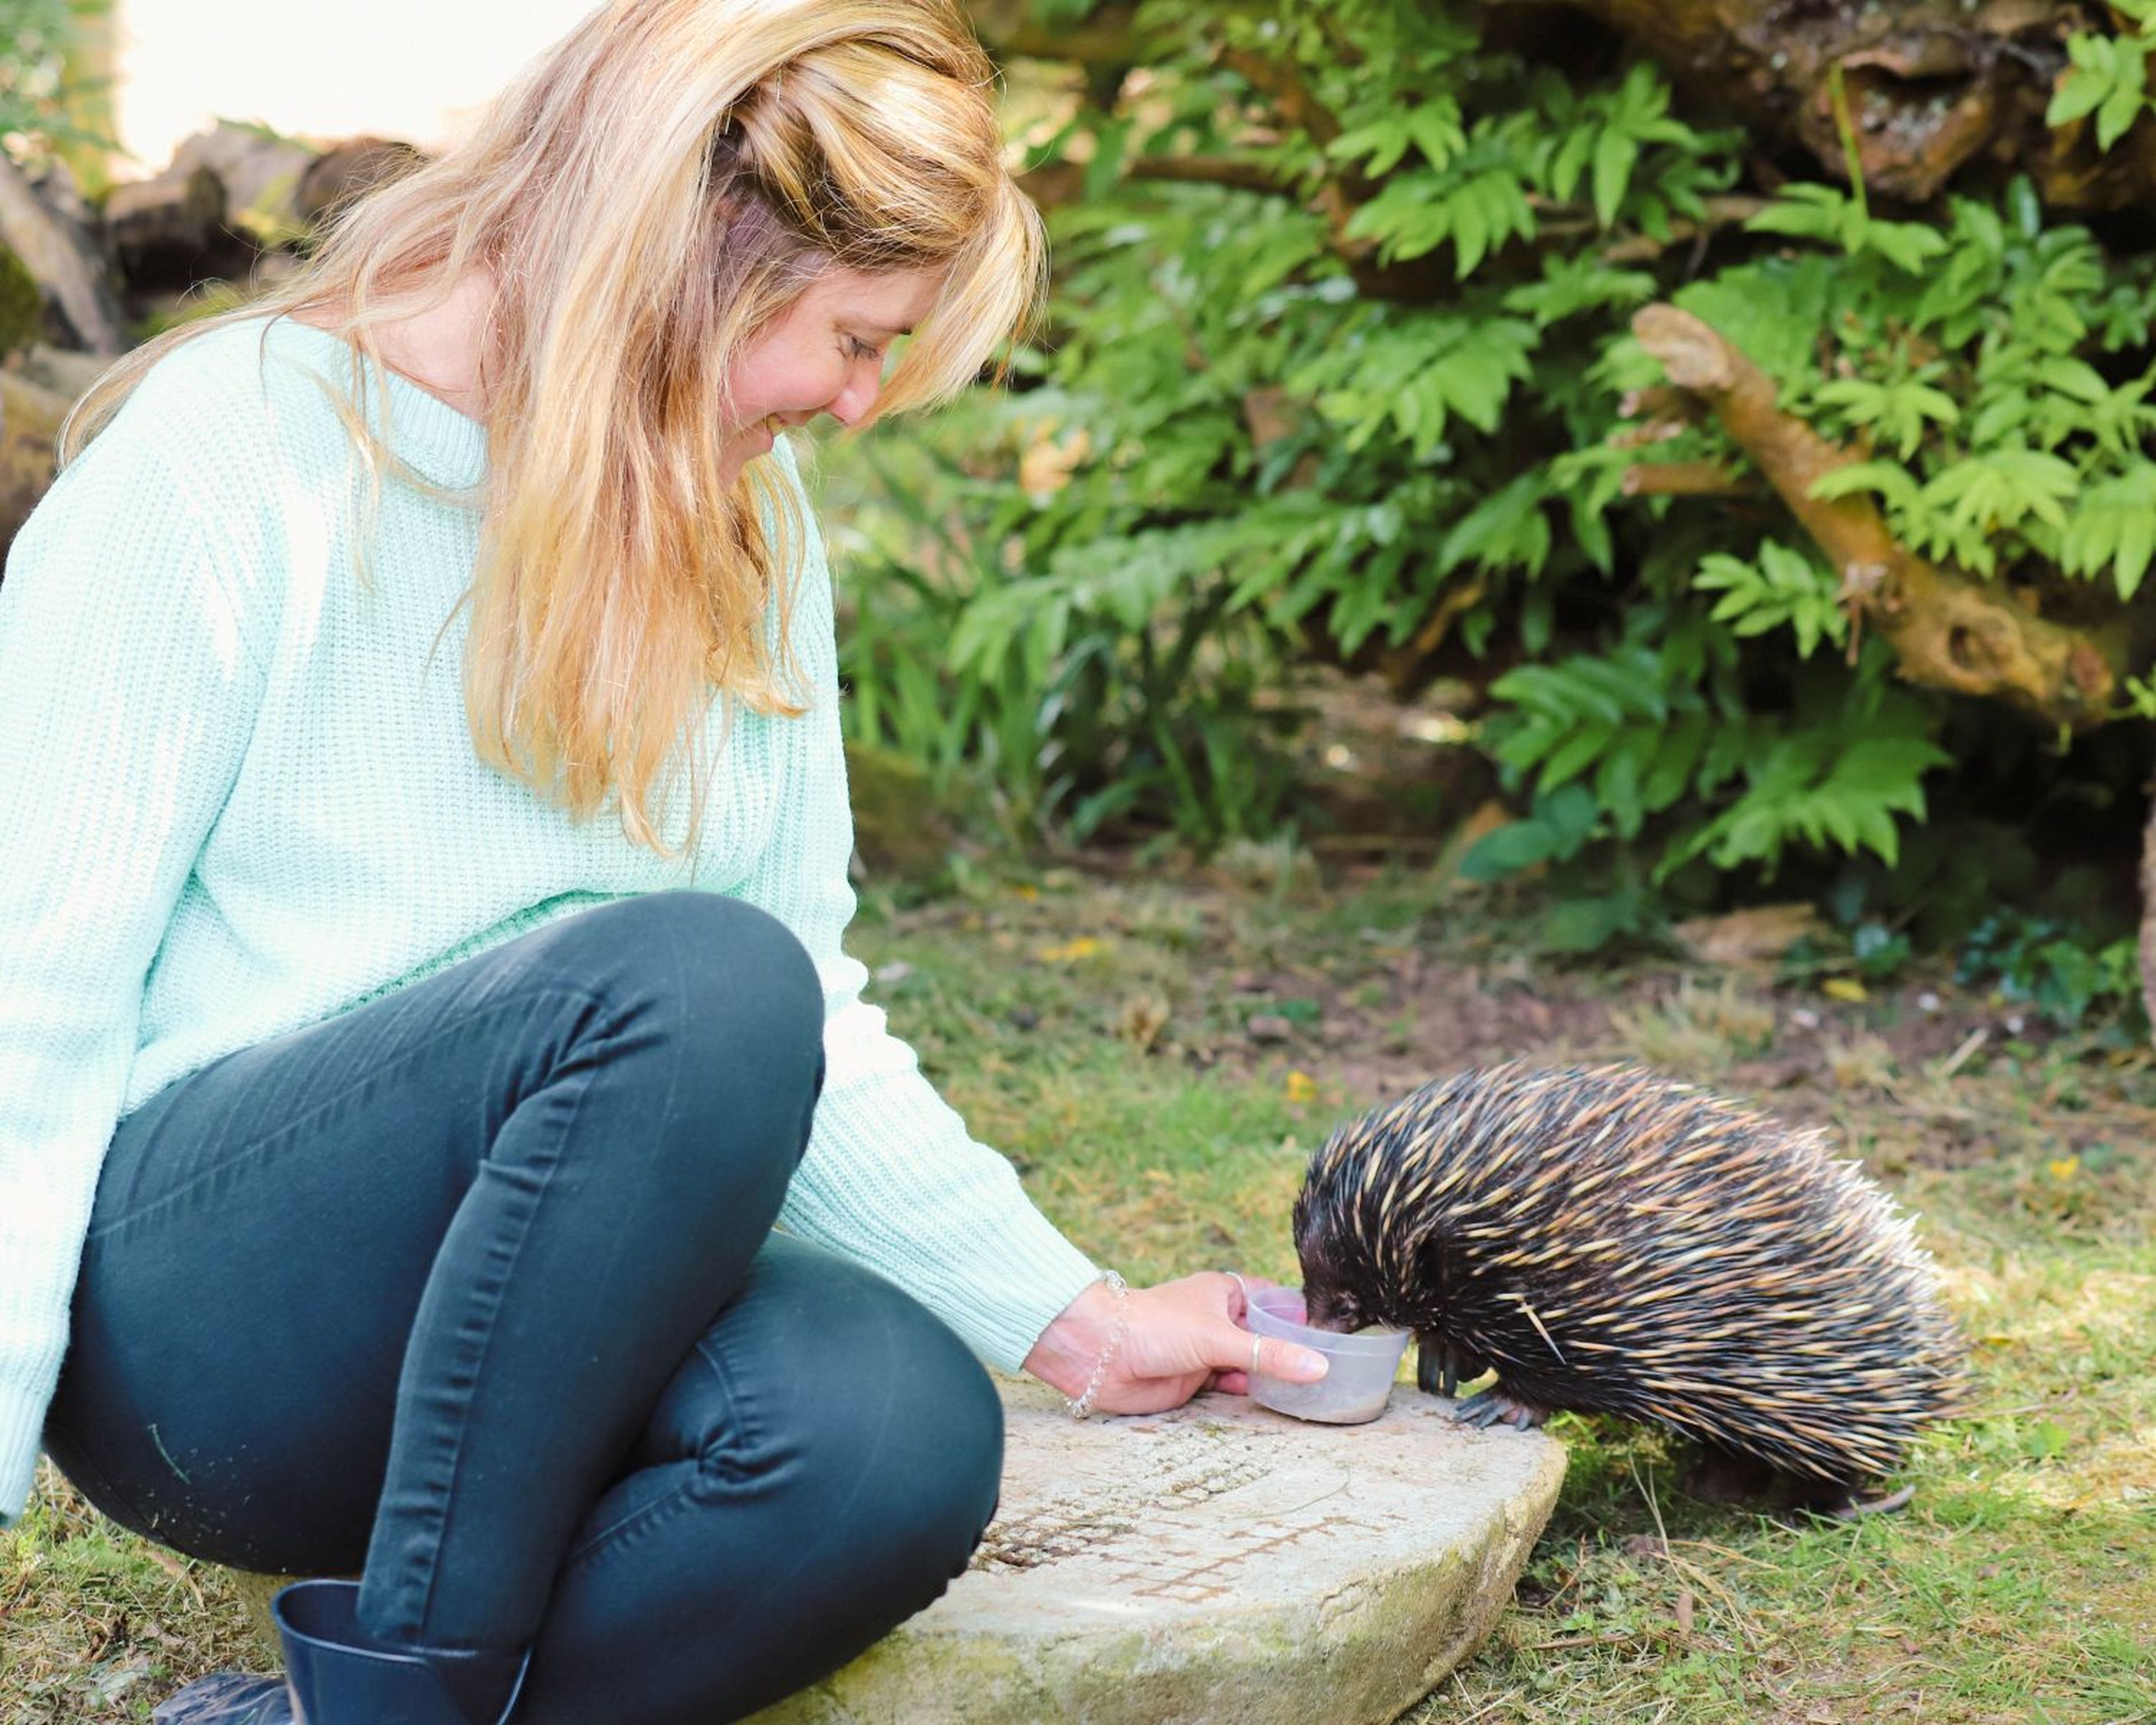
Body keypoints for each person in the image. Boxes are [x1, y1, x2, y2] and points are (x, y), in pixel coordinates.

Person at [0, 2, 1330, 1722]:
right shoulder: (229, 451)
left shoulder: (747, 524)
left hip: (537, 1353)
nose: (859, 403)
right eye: (853, 338)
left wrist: (1074, 1321)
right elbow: (27, 980)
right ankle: (412, 1689)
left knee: (889, 1434)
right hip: (215, 1323)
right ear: (694, 248)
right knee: (689, 980)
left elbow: (809, 1020)